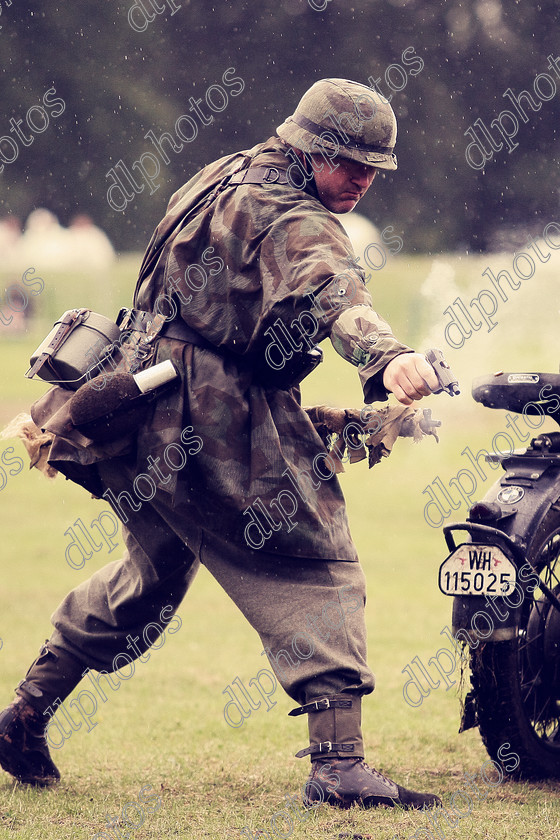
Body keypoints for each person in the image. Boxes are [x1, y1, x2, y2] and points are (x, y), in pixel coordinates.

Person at [0, 78, 442, 810]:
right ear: (311, 149)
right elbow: (333, 291)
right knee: (315, 565)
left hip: (137, 401)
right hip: (206, 419)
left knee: (151, 572)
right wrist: (387, 357)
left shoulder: (227, 170)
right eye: (351, 163)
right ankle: (338, 767)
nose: (364, 180)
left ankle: (24, 715)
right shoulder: (294, 215)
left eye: (374, 168)